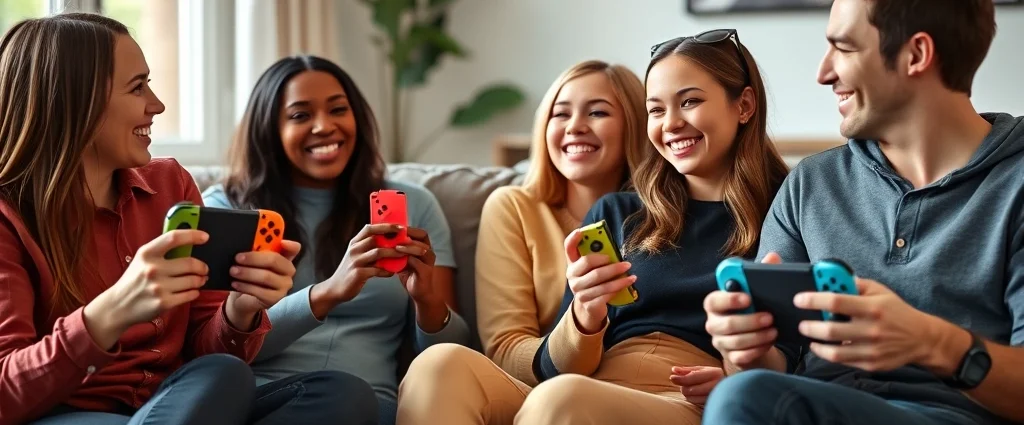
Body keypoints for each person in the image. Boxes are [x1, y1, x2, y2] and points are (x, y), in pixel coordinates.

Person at [0, 13, 376, 425]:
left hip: (186, 404)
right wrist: (110, 312)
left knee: (340, 394)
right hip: (72, 413)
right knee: (221, 378)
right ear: (76, 101)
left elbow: (208, 351)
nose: (156, 105)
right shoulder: (9, 218)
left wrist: (240, 309)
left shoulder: (170, 184)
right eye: (137, 87)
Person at [701, 1, 1024, 424]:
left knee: (744, 398)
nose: (823, 73)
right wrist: (746, 350)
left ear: (916, 55)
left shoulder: (1015, 182)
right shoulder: (811, 183)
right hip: (817, 408)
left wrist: (932, 342)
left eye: (844, 48)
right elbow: (769, 372)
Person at [202, 55, 465, 425]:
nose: (324, 127)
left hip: (367, 408)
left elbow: (454, 359)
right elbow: (214, 345)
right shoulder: (229, 208)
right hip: (259, 401)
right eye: (300, 115)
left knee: (349, 398)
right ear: (269, 129)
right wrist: (327, 293)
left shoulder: (415, 206)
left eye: (338, 110)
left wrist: (428, 302)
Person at [396, 59, 651, 424]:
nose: (575, 127)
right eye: (560, 114)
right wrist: (578, 329)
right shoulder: (514, 207)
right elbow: (505, 348)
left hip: (632, 394)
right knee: (438, 363)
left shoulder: (667, 214)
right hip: (536, 387)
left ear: (635, 127)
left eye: (597, 112)